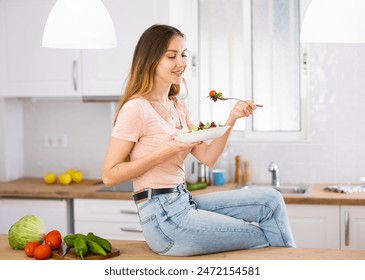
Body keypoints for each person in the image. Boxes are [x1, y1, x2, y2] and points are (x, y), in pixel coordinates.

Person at [103, 24, 295, 256]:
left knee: (271, 200)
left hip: (183, 200)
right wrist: (165, 150)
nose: (181, 63)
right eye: (171, 56)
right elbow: (110, 175)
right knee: (263, 236)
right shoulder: (136, 109)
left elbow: (208, 157)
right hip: (163, 218)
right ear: (150, 60)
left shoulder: (178, 105)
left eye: (183, 55)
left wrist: (232, 118)